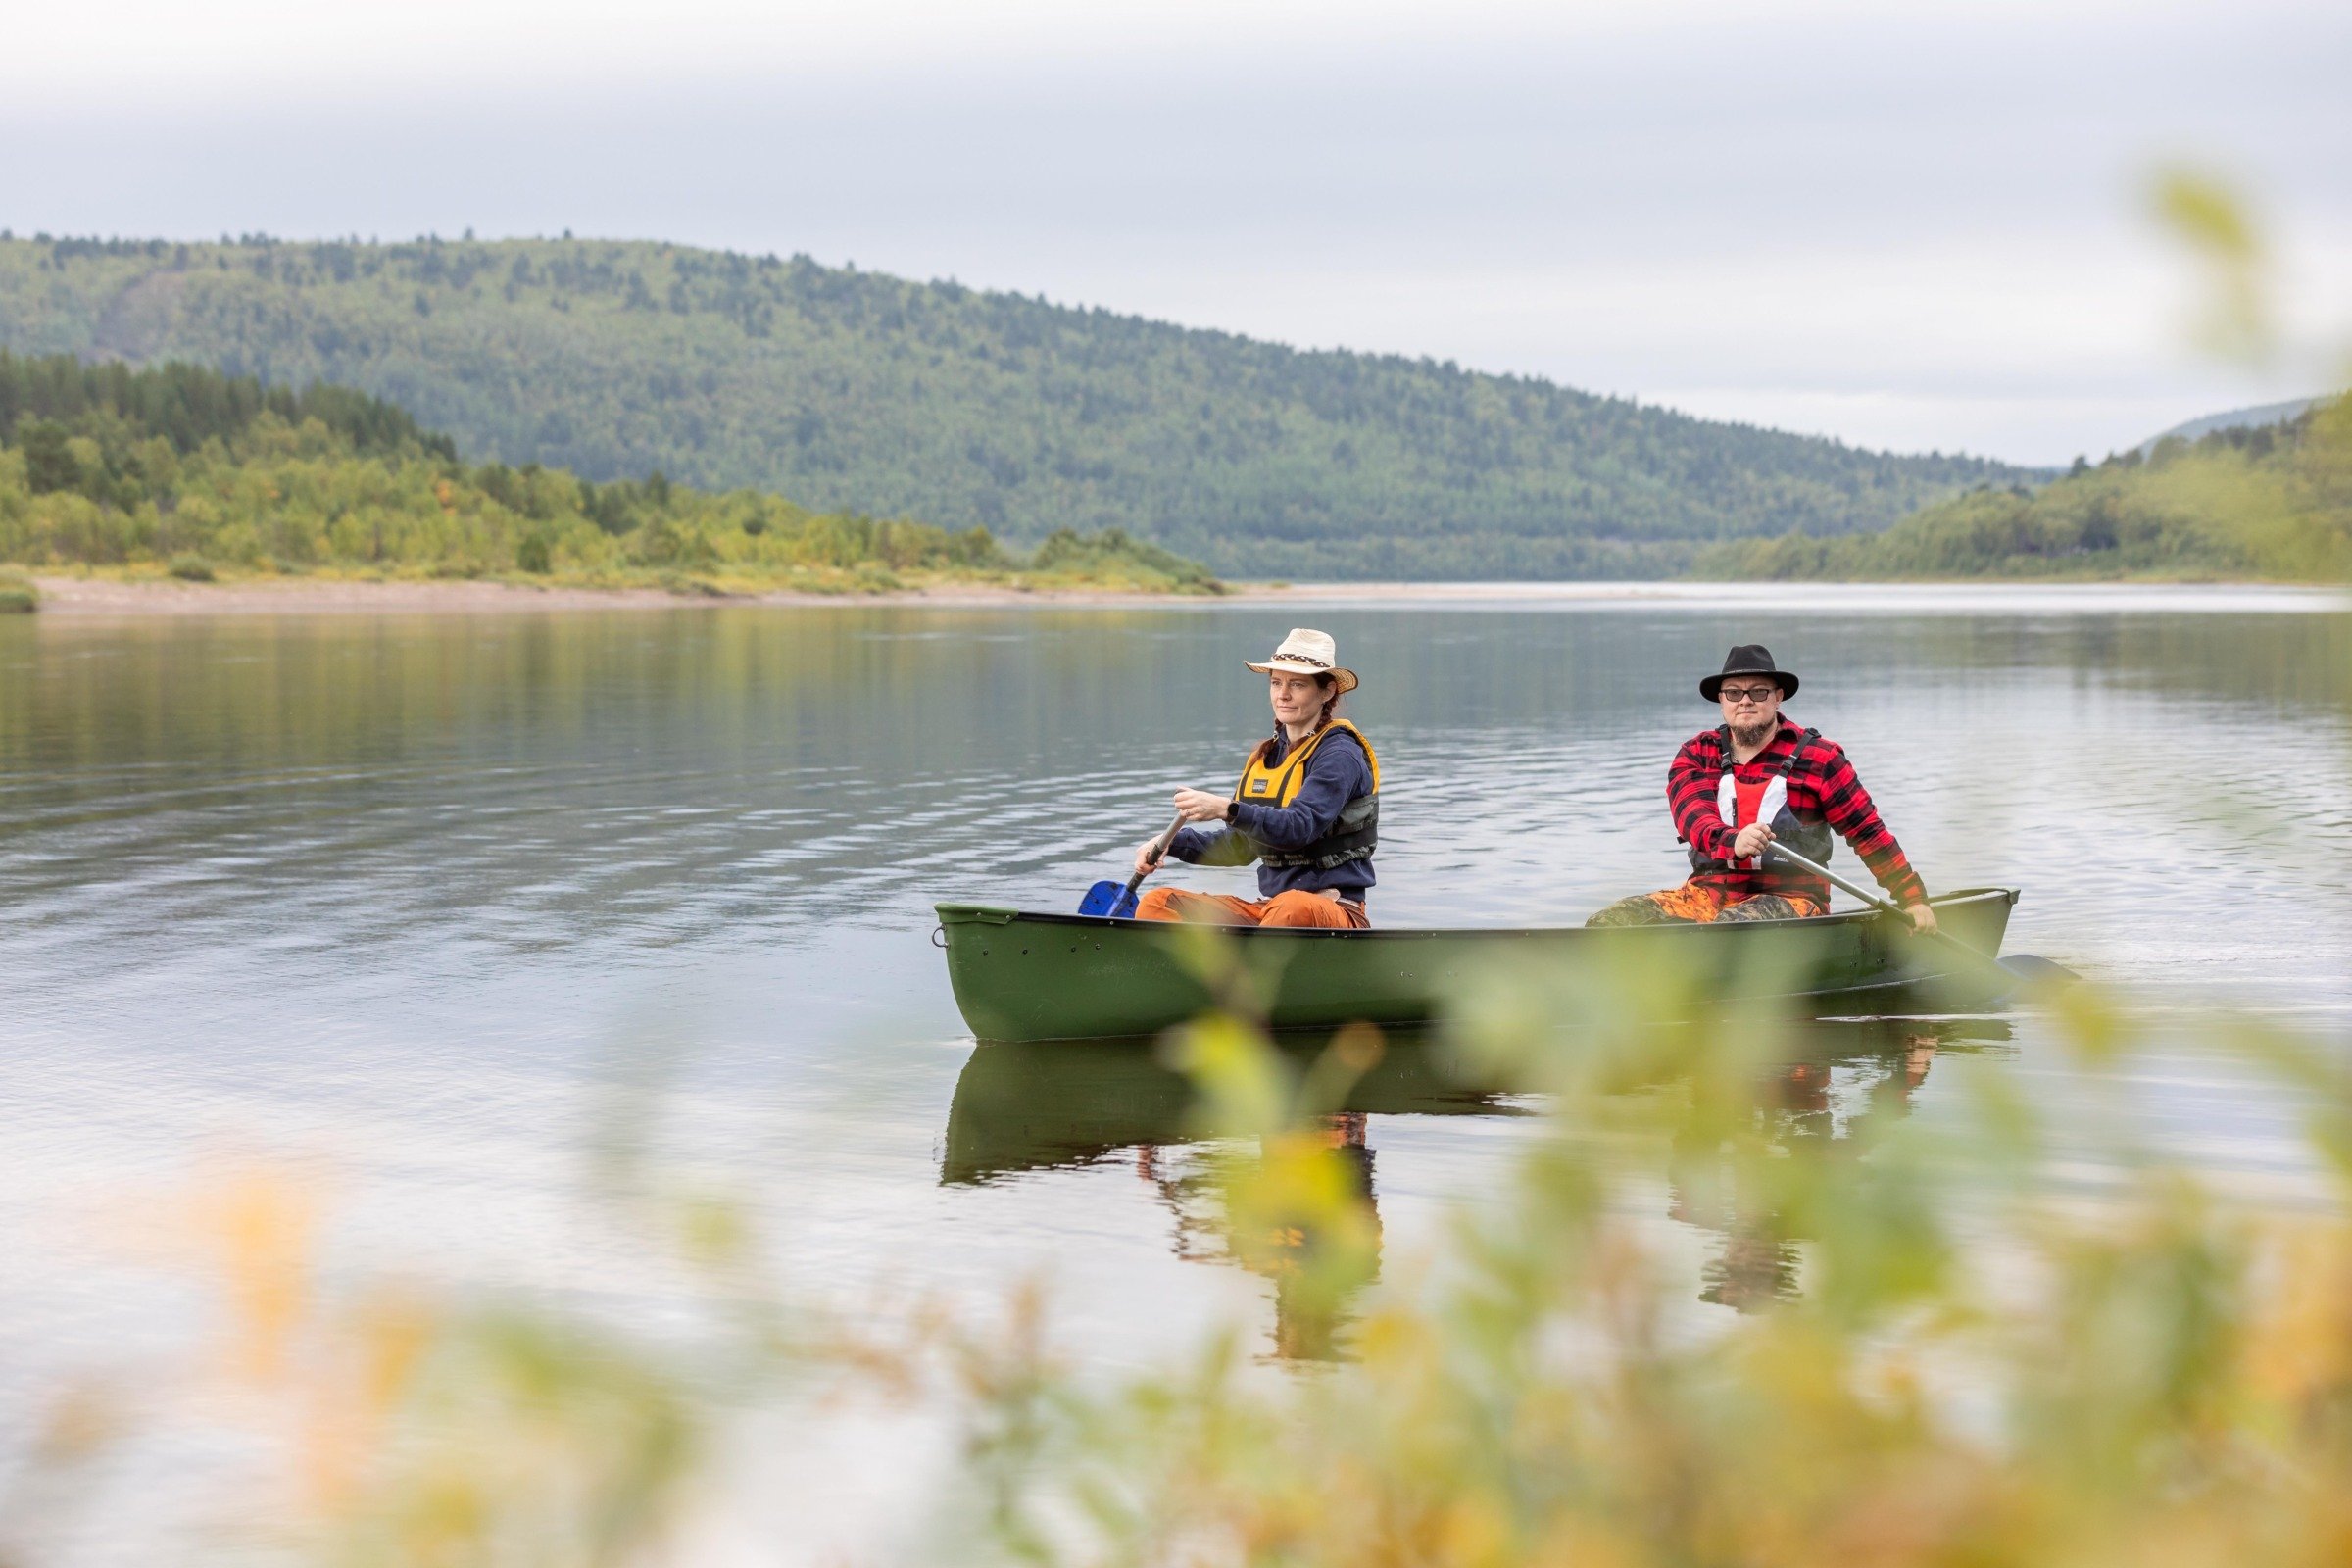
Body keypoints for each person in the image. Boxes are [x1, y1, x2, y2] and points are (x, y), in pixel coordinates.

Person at [1587, 644, 1937, 932]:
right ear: (1722, 701)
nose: (1745, 701)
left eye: (1758, 691)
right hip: (1707, 895)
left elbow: (1869, 834)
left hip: (1794, 900)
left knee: (1731, 927)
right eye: (1734, 693)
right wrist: (1732, 840)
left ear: (1777, 697)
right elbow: (1692, 817)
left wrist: (1912, 899)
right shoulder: (1695, 754)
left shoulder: (1821, 759)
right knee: (1608, 922)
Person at [1132, 628, 1378, 929]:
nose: (1282, 694)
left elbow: (1299, 827)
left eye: (1297, 684)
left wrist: (1227, 809)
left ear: (1326, 692)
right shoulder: (1268, 756)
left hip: (1333, 910)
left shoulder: (1340, 755)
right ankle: (1215, 973)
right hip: (1273, 910)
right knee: (1158, 902)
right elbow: (1239, 846)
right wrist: (1170, 843)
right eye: (1276, 683)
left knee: (1292, 906)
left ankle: (1254, 966)